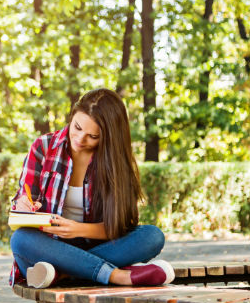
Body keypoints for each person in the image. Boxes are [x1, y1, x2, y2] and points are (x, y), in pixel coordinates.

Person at [9, 88, 174, 288]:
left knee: (152, 237)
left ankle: (64, 275)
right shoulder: (43, 147)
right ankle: (117, 276)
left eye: (92, 136)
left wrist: (78, 230)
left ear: (108, 136)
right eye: (77, 127)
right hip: (50, 249)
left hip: (90, 248)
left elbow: (121, 227)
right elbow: (23, 198)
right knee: (21, 239)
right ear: (72, 116)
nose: (80, 139)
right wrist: (23, 204)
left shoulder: (115, 163)